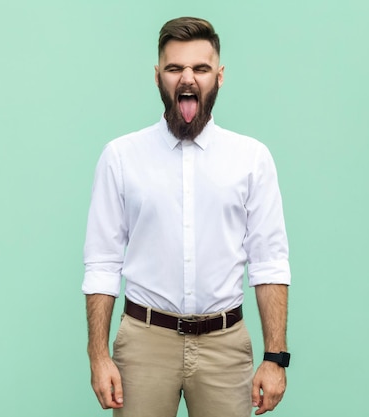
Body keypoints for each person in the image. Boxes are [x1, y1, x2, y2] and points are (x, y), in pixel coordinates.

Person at [83, 16, 291, 417]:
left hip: (225, 344)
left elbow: (269, 263)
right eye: (175, 68)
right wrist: (98, 355)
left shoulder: (251, 159)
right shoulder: (121, 157)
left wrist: (275, 357)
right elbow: (102, 262)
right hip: (144, 342)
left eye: (200, 68)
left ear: (220, 76)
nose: (187, 79)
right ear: (158, 75)